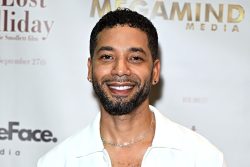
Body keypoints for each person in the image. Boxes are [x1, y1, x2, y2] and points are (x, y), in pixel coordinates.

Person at [37, 8, 226, 167]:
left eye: (135, 58)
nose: (120, 70)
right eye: (107, 57)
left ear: (155, 71)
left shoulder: (202, 158)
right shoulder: (57, 162)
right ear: (90, 68)